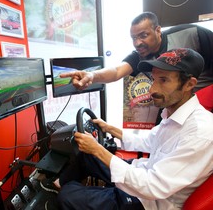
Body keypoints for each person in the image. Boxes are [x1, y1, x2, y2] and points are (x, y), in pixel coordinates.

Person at [55, 48, 213, 210]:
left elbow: (153, 187)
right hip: (142, 174)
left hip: (150, 202)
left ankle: (64, 195)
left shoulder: (201, 132)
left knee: (68, 196)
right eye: (154, 79)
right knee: (86, 156)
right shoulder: (173, 114)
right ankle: (58, 184)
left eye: (163, 80)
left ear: (189, 84)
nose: (152, 89)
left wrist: (98, 150)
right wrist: (109, 128)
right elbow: (149, 140)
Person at [60, 12, 213, 92]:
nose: (137, 43)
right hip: (174, 105)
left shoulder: (192, 34)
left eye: (143, 36)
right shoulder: (140, 55)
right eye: (134, 38)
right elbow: (116, 71)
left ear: (158, 30)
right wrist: (92, 75)